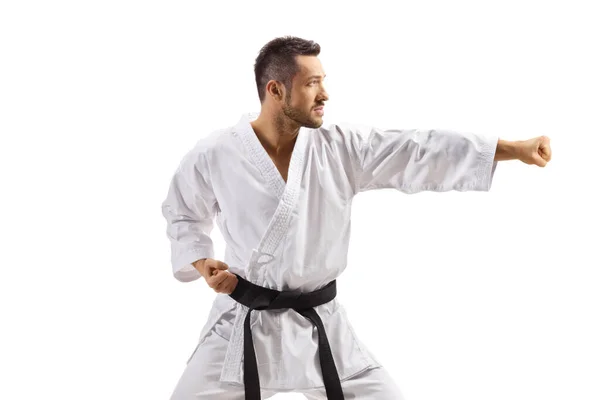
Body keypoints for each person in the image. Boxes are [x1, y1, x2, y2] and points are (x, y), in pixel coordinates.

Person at [161, 36, 552, 400]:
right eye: (312, 83)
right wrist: (202, 263)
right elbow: (182, 213)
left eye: (323, 81)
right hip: (242, 323)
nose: (325, 94)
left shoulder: (340, 149)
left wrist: (513, 149)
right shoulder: (217, 153)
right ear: (275, 90)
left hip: (321, 327)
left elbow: (418, 149)